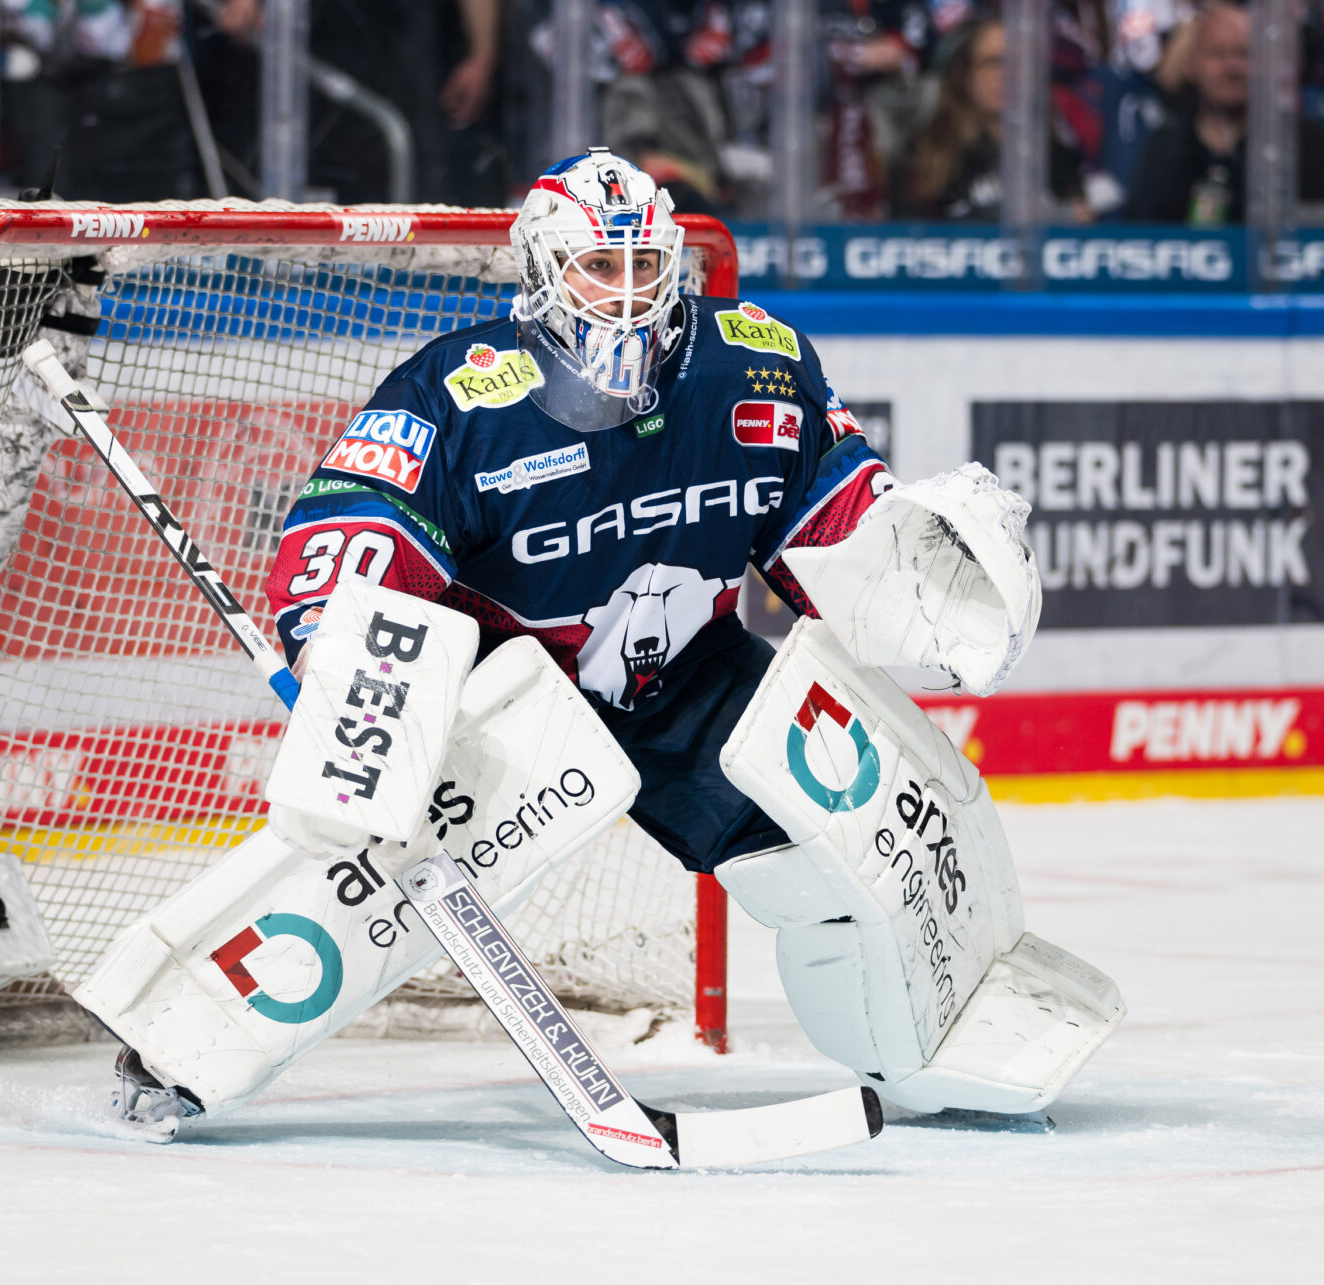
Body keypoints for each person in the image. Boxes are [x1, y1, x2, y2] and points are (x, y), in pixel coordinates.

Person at [75, 148, 1122, 1141]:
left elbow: (836, 533)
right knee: (364, 888)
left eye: (642, 267)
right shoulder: (459, 394)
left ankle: (932, 1048)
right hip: (517, 699)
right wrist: (351, 674)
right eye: (596, 267)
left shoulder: (754, 367)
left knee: (858, 837)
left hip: (691, 683)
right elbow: (353, 538)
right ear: (542, 272)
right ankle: (176, 1049)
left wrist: (919, 561)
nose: (624, 294)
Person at [1122, 1, 1324, 223]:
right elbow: (1138, 231)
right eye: (1217, 54)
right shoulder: (1164, 151)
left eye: (1244, 53)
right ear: (1192, 64)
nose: (1231, 66)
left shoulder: (1305, 147)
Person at [898, 15, 1092, 221]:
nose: (1008, 75)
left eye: (1020, 63)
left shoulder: (1058, 157)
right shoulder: (926, 156)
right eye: (994, 62)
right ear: (965, 74)